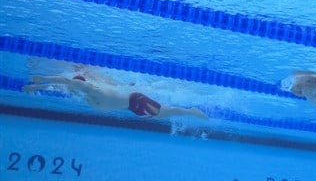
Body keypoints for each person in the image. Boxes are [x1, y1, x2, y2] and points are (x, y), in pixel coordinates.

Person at [22, 75, 208, 119]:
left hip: (136, 101)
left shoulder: (89, 89)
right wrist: (40, 88)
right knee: (164, 113)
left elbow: (63, 80)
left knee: (166, 112)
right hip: (130, 108)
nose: (71, 89)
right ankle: (188, 112)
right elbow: (60, 87)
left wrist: (40, 81)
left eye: (75, 85)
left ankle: (190, 111)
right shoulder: (80, 94)